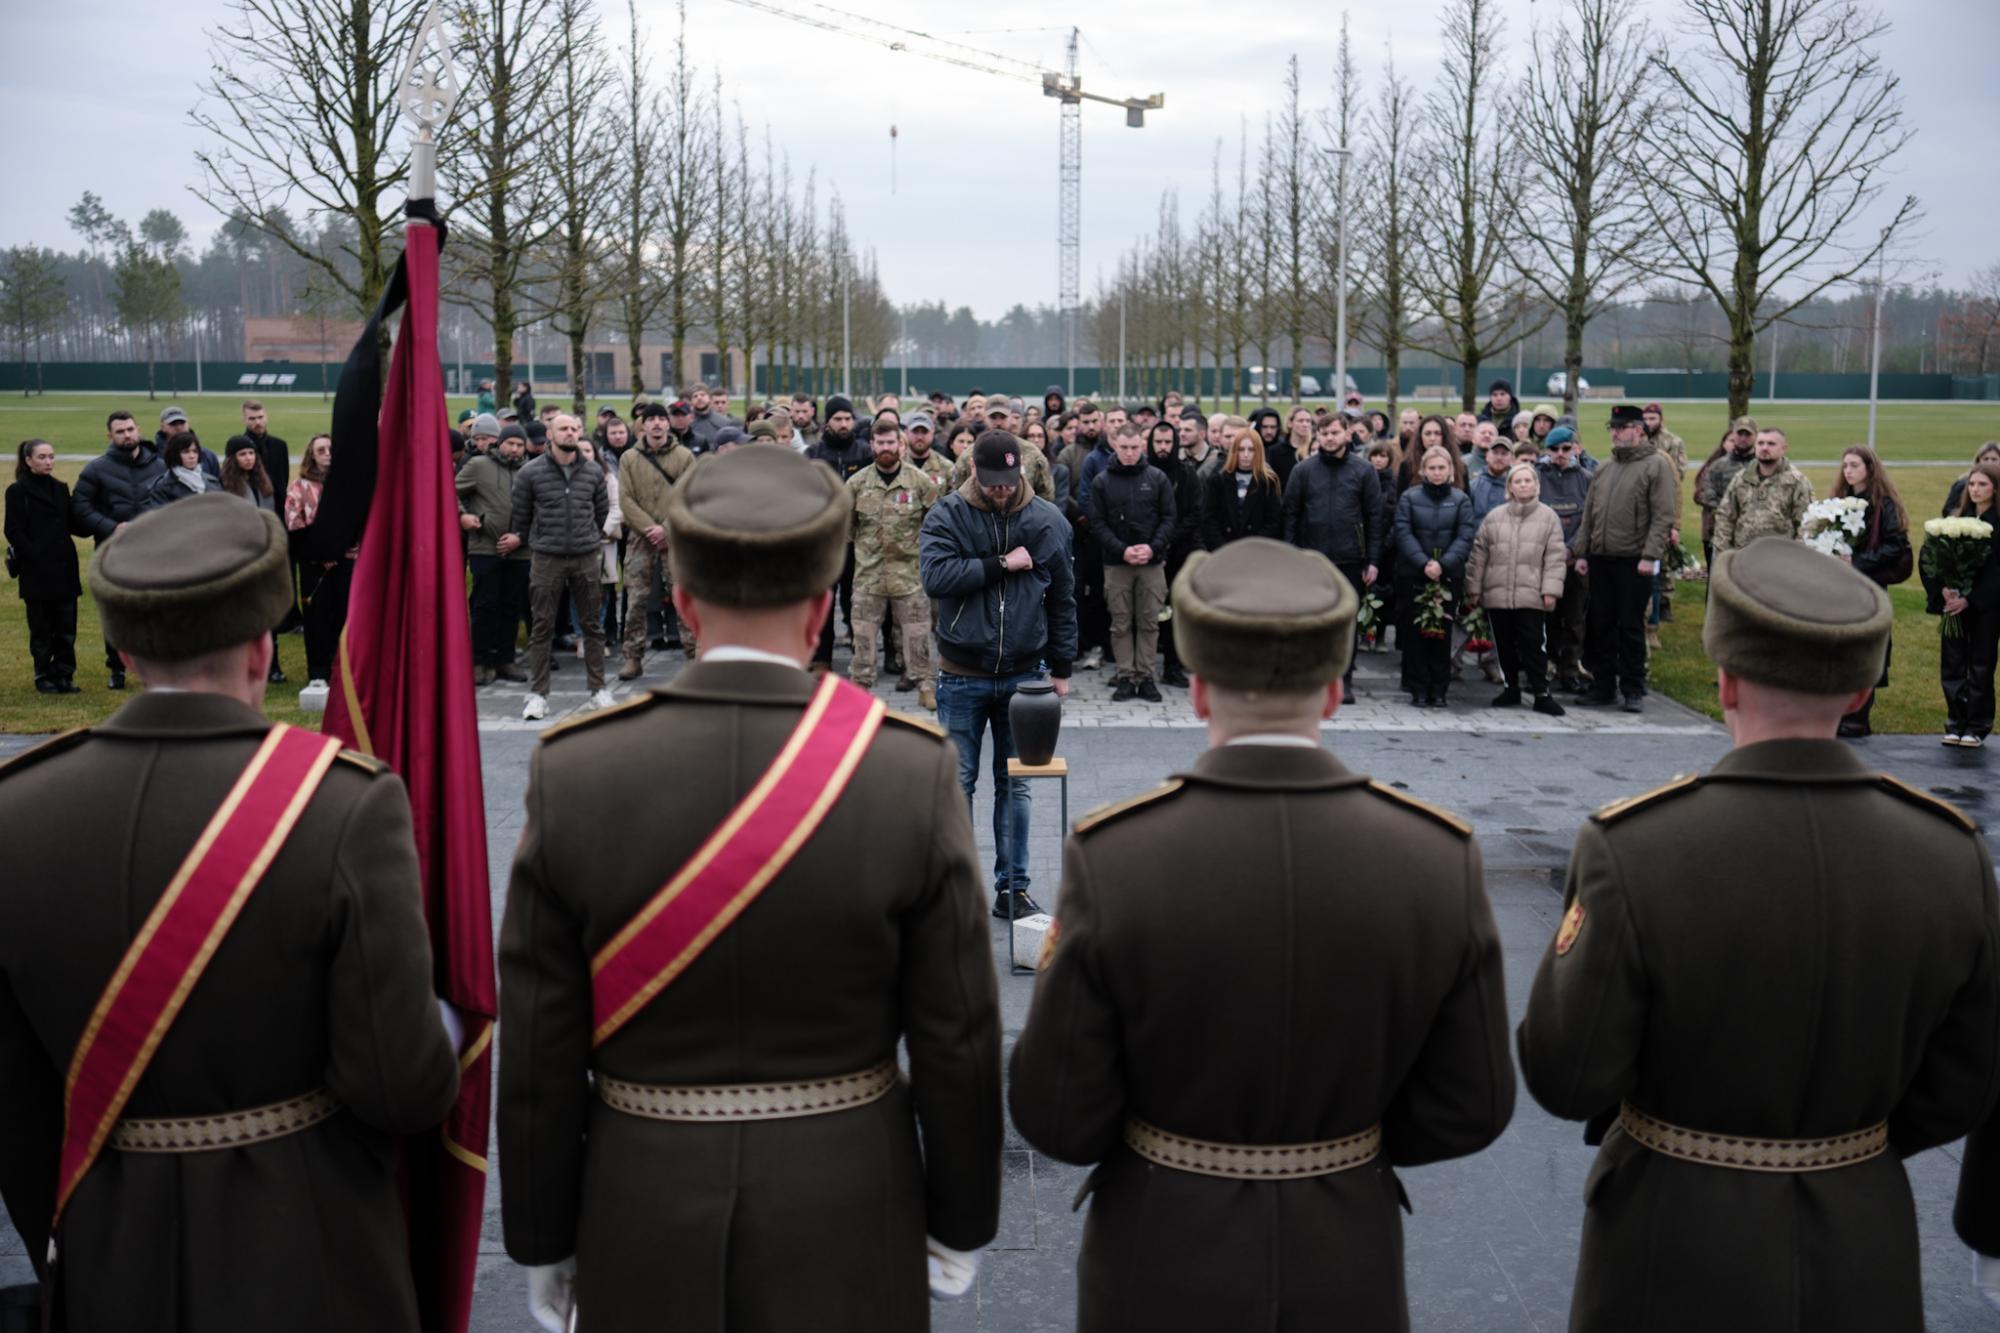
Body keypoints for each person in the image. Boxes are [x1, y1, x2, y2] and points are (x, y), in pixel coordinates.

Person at [497, 445, 1002, 1333]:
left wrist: (543, 1233)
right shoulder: (906, 770)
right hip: (847, 1200)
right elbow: (956, 1034)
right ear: (821, 611)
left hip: (640, 1199)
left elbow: (539, 1045)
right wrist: (960, 1217)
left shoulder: (577, 769)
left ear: (684, 605)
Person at [1009, 536, 1515, 1332]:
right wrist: (1347, 1142)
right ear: (1338, 690)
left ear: (1200, 690)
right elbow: (1472, 1103)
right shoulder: (1433, 854)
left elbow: (1058, 1111)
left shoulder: (1117, 856)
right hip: (1346, 1246)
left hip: (1161, 1250)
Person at [0, 492, 460, 1330]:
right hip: (312, 1246)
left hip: (108, 1251)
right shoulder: (343, 803)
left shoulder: (16, 811)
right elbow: (400, 1085)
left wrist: (75, 1234)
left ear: (126, 651)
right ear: (262, 643)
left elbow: (14, 1102)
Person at [1518, 536, 2000, 1333]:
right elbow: (1967, 1082)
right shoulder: (1948, 853)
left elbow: (1566, 1073)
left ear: (1725, 675)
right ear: (1858, 691)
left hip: (1669, 1238)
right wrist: (1848, 1143)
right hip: (1860, 1231)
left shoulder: (1636, 845)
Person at [919, 432, 1078, 919]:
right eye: (992, 483)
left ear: (1023, 473)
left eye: (1009, 483)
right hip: (961, 672)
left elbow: (1063, 598)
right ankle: (958, 884)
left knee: (1017, 783)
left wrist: (1063, 666)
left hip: (1026, 677)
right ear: (973, 473)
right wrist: (1000, 564)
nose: (1002, 491)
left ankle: (1014, 888)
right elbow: (936, 577)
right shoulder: (946, 514)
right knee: (958, 781)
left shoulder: (1048, 521)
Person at [1573, 405, 1679, 712]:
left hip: (1635, 560)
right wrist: (1582, 551)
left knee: (1631, 625)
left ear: (1639, 430)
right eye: (1613, 428)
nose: (1616, 433)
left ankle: (1633, 687)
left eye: (1622, 427)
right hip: (1601, 558)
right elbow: (1589, 515)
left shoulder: (1656, 465)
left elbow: (1662, 516)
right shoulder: (1605, 468)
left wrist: (1651, 555)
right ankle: (1603, 684)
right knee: (1600, 623)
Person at [512, 413, 612, 720]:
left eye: (575, 429)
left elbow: (601, 511)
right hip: (546, 558)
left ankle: (598, 690)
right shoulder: (530, 473)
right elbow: (521, 515)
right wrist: (541, 541)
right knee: (542, 627)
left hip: (585, 557)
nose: (571, 433)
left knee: (592, 626)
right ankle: (538, 695)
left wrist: (587, 539)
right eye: (564, 429)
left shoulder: (594, 471)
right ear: (550, 434)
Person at [1283, 412, 1386, 696]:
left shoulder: (1363, 471)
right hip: (1310, 560)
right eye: (1324, 433)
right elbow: (1290, 515)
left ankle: (1343, 680)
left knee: (1345, 623)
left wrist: (1373, 560)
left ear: (1347, 433)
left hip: (1349, 559)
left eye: (1335, 433)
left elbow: (1374, 517)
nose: (1329, 438)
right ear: (1318, 435)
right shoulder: (1303, 471)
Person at [847, 418, 939, 709]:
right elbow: (847, 528)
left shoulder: (920, 483)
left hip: (909, 576)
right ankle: (860, 689)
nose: (886, 448)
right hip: (868, 576)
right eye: (880, 443)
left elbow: (935, 525)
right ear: (872, 445)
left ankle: (925, 686)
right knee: (862, 637)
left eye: (891, 442)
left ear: (901, 445)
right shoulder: (857, 483)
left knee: (918, 635)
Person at [72, 410, 167, 689]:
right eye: (120, 431)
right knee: (117, 612)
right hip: (113, 551)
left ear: (138, 429)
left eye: (130, 429)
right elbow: (80, 506)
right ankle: (117, 668)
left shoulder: (160, 466)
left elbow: (170, 501)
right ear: (110, 436)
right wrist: (110, 527)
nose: (127, 435)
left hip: (152, 552)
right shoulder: (96, 469)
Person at [1465, 462, 1568, 715]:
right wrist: (1474, 588)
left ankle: (1541, 693)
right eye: (1517, 481)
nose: (1523, 485)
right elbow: (1479, 555)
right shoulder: (1494, 517)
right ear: (1509, 486)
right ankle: (1510, 687)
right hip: (1497, 593)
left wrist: (1550, 590)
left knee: (1533, 645)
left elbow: (1555, 557)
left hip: (1531, 594)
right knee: (1503, 645)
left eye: (1527, 480)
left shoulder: (1548, 517)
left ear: (1536, 485)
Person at [1091, 423, 1177, 703]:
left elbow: (1168, 518)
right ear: (1115, 445)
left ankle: (1146, 676)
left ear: (1142, 446)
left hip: (1152, 563)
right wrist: (1122, 550)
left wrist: (1152, 549)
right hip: (1117, 564)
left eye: (1134, 447)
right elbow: (1097, 523)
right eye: (1124, 447)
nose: (1129, 453)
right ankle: (1126, 676)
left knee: (1150, 622)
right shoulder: (1102, 481)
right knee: (1121, 623)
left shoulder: (1157, 478)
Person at [1830, 445, 1910, 738]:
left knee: (1867, 652)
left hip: (1870, 586)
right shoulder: (1838, 501)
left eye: (1854, 465)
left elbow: (1895, 545)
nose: (1848, 470)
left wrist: (1858, 562)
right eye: (1845, 465)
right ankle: (1838, 713)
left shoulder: (1883, 504)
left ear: (1869, 468)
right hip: (1841, 589)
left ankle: (1858, 717)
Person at [614, 402, 696, 680]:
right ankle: (633, 657)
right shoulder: (629, 459)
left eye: (662, 418)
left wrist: (667, 529)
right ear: (643, 425)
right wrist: (651, 528)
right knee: (636, 599)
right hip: (640, 538)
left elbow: (690, 497)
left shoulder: (684, 457)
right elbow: (625, 498)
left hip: (677, 539)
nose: (658, 424)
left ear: (669, 423)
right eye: (652, 420)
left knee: (683, 597)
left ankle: (694, 657)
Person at [1392, 446, 1476, 707]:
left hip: (1448, 577)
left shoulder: (1460, 499)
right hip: (1415, 574)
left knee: (1442, 634)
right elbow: (1403, 532)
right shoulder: (1409, 497)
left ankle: (1439, 689)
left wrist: (1444, 564)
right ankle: (1418, 687)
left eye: (1442, 468)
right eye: (1432, 468)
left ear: (1450, 470)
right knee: (1416, 634)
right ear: (1423, 470)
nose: (1437, 473)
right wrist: (1424, 562)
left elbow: (1465, 535)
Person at [1923, 460, 2000, 747]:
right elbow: (1933, 558)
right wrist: (1943, 589)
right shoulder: (1955, 519)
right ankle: (1956, 721)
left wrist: (1972, 599)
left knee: (1980, 665)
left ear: (1995, 488)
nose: (1976, 489)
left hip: (1985, 608)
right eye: (1972, 484)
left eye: (1983, 484)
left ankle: (1977, 726)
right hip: (1953, 604)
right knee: (1953, 663)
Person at [6, 439, 82, 693]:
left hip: (64, 567)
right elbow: (13, 531)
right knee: (41, 627)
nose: (48, 461)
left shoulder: (60, 488)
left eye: (51, 456)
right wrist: (34, 555)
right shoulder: (17, 491)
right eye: (42, 457)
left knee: (66, 627)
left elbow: (73, 524)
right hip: (37, 570)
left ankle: (64, 674)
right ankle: (43, 674)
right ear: (28, 461)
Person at [286, 434, 354, 690]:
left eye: (330, 449)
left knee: (345, 616)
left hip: (347, 561)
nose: (327, 453)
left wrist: (340, 549)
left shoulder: (349, 484)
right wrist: (319, 552)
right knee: (317, 618)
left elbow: (360, 520)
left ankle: (345, 669)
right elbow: (294, 524)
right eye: (321, 450)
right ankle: (318, 671)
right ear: (312, 455)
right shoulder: (299, 487)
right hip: (314, 564)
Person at [1538, 425, 1595, 693]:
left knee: (1574, 618)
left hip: (1576, 560)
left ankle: (1570, 668)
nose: (1560, 454)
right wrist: (1552, 551)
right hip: (1543, 561)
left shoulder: (1586, 478)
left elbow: (1590, 519)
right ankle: (1544, 666)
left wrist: (1573, 550)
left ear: (1575, 448)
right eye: (1554, 449)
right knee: (1545, 618)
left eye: (1565, 448)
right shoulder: (1536, 476)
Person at [1145, 420, 1200, 688]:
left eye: (1168, 442)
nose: (1163, 448)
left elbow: (1194, 513)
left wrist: (1169, 538)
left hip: (1178, 552)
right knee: (1146, 612)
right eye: (1159, 442)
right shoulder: (1143, 472)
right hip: (1147, 553)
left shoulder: (1186, 474)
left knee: (1174, 613)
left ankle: (1172, 665)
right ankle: (1139, 669)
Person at [1712, 425, 1812, 553]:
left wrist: (1797, 556)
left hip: (1781, 558)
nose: (1765, 448)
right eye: (1760, 443)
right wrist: (1723, 554)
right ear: (1755, 447)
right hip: (1743, 556)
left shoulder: (1796, 482)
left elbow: (1807, 524)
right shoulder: (1741, 479)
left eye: (1771, 444)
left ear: (1783, 448)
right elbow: (1725, 518)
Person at [1694, 417, 1759, 572]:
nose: (1743, 438)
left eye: (1747, 435)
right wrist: (1730, 512)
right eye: (1739, 434)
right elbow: (1706, 494)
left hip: (1754, 535)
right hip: (1721, 534)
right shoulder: (1718, 466)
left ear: (1755, 436)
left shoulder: (1762, 466)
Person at [1201, 430, 1284, 552]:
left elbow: (1274, 521)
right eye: (1241, 449)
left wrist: (1254, 546)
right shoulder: (1218, 480)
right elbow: (1209, 519)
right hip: (1224, 550)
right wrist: (1222, 548)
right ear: (1234, 451)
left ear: (1258, 452)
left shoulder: (1268, 482)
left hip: (1257, 551)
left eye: (1251, 450)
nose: (1246, 455)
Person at [143, 433, 222, 509]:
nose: (192, 456)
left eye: (195, 451)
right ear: (175, 454)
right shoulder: (162, 488)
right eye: (186, 452)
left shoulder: (212, 482)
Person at [238, 400, 290, 497]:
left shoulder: (280, 445)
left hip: (276, 505)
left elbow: (283, 481)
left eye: (260, 417)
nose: (257, 422)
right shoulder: (238, 447)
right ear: (244, 420)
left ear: (267, 417)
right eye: (252, 418)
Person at [1944, 442, 2000, 514]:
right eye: (1986, 459)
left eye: (1994, 459)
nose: (1989, 462)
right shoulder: (1962, 484)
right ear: (1978, 461)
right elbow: (1948, 510)